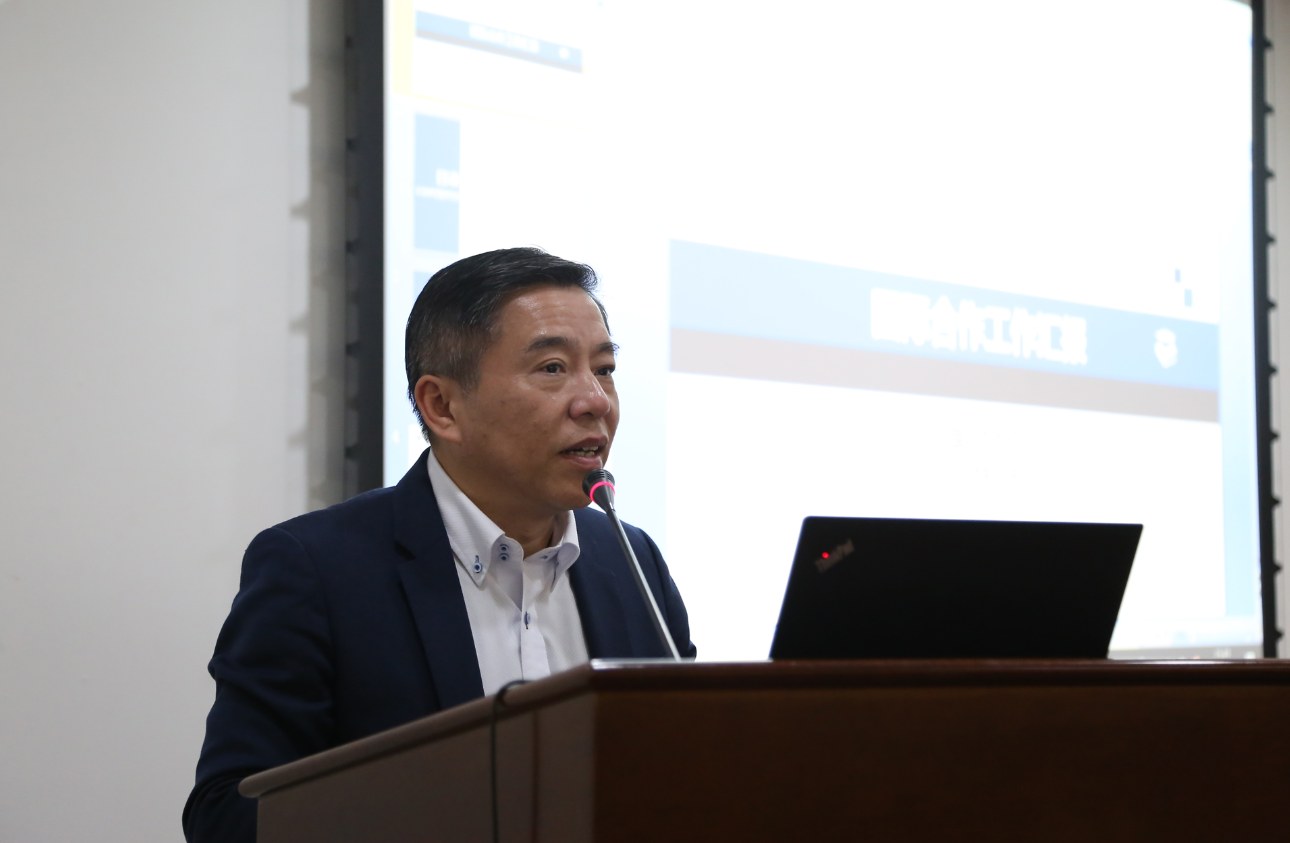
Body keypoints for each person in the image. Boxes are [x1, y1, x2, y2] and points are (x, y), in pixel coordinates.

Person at [182, 248, 695, 843]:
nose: (596, 401)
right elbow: (229, 817)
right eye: (553, 368)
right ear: (442, 406)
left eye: (603, 368)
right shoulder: (317, 569)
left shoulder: (632, 562)